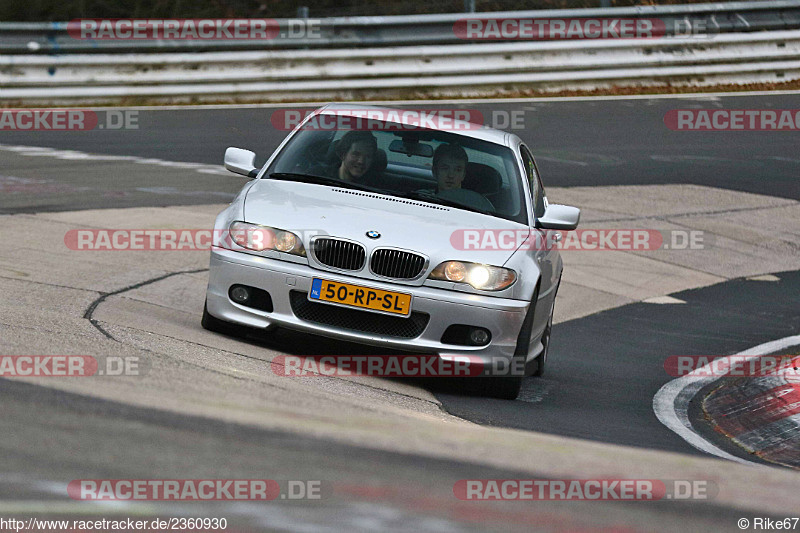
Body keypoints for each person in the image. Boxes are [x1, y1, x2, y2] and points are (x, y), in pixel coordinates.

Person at [428, 143, 494, 212]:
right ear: (434, 172)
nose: (451, 175)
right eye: (445, 168)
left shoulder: (478, 205)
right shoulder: (422, 197)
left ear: (463, 175)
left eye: (457, 170)